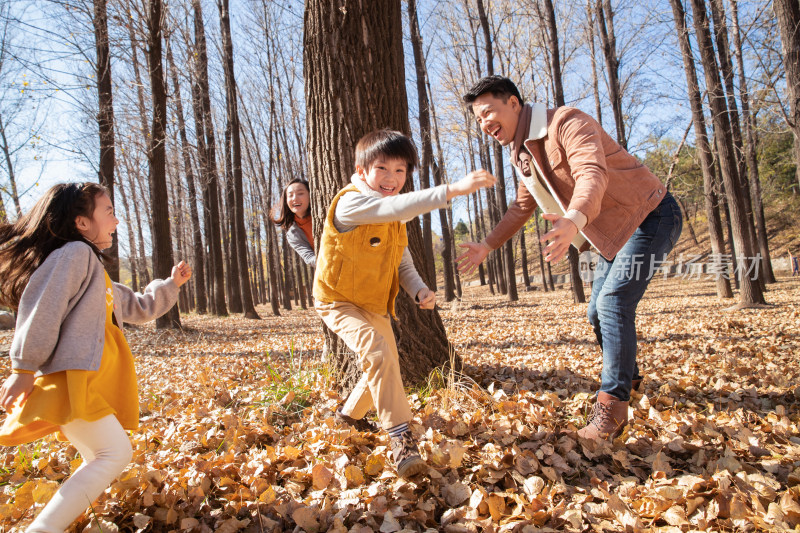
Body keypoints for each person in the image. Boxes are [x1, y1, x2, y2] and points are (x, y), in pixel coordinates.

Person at [455, 76, 682, 441]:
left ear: (513, 103)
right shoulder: (522, 154)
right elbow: (521, 207)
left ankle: (613, 409)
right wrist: (487, 245)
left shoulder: (566, 122)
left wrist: (573, 219)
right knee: (597, 312)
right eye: (478, 120)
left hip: (650, 215)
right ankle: (631, 379)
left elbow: (591, 172)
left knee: (611, 304)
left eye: (488, 113)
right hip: (612, 234)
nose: (485, 124)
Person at [0, 182, 192, 531]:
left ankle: (82, 520)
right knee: (113, 454)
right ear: (82, 222)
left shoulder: (92, 270)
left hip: (89, 378)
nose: (116, 221)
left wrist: (171, 285)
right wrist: (24, 367)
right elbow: (42, 308)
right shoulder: (74, 254)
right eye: (108, 212)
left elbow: (136, 304)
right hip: (74, 378)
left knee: (99, 455)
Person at [313, 129, 496, 477]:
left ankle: (347, 417)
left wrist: (419, 290)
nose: (392, 178)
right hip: (337, 300)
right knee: (378, 351)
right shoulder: (352, 202)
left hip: (374, 303)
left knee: (385, 362)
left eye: (400, 171)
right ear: (362, 169)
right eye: (382, 168)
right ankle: (400, 437)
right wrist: (451, 190)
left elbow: (402, 262)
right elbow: (389, 207)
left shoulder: (395, 217)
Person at [274, 178, 315, 267]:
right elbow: (310, 258)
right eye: (290, 195)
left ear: (310, 195)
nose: (295, 198)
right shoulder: (292, 234)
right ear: (286, 200)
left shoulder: (327, 213)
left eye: (300, 193)